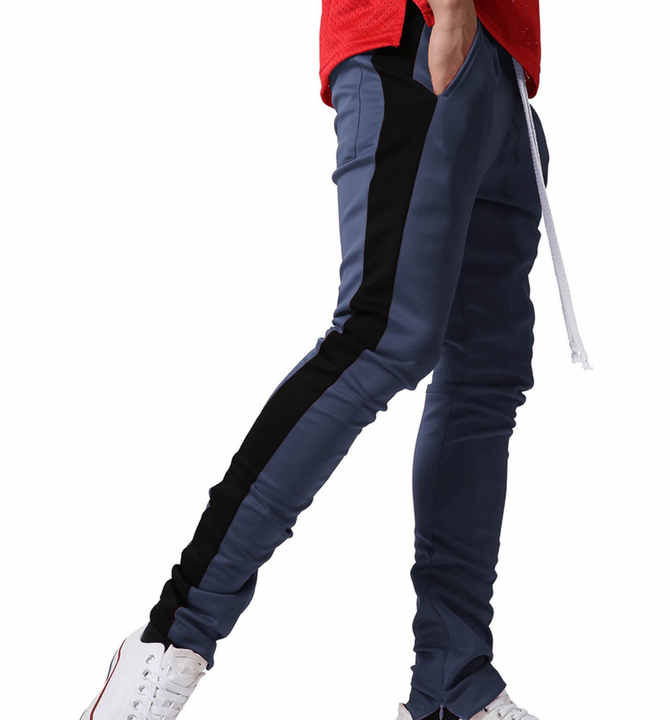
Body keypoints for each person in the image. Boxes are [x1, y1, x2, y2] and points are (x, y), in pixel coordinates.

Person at [80, 0, 589, 718]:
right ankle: (170, 640)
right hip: (418, 30)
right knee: (381, 334)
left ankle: (452, 683)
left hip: (503, 69)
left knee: (485, 377)